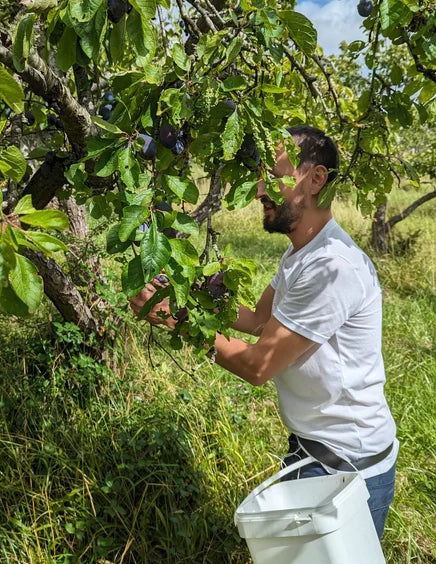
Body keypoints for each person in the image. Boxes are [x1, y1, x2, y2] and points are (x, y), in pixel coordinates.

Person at [129, 125, 398, 540]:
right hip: (316, 452)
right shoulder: (302, 253)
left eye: (273, 178)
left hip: (349, 469)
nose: (259, 191)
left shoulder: (333, 268)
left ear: (316, 178)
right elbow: (257, 318)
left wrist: (174, 321)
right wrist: (184, 296)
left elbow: (258, 366)